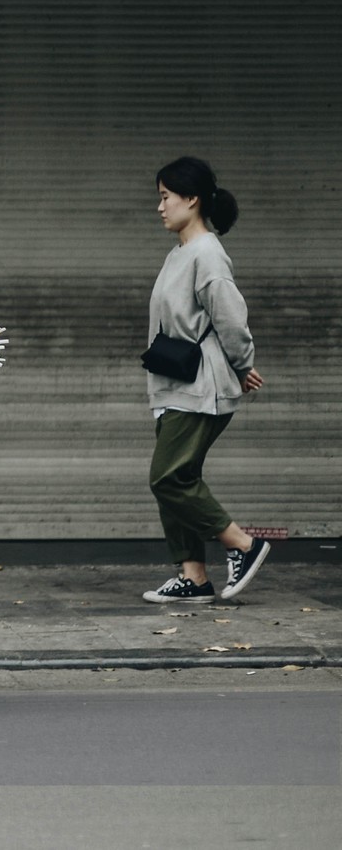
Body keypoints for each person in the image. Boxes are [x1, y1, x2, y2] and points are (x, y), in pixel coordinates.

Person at [142, 157, 269, 604]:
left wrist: (241, 363)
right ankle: (193, 577)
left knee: (168, 478)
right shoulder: (180, 251)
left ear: (191, 199)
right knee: (180, 479)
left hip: (201, 387)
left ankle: (243, 544)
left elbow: (231, 318)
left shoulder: (207, 253)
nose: (160, 207)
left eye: (165, 197)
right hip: (175, 383)